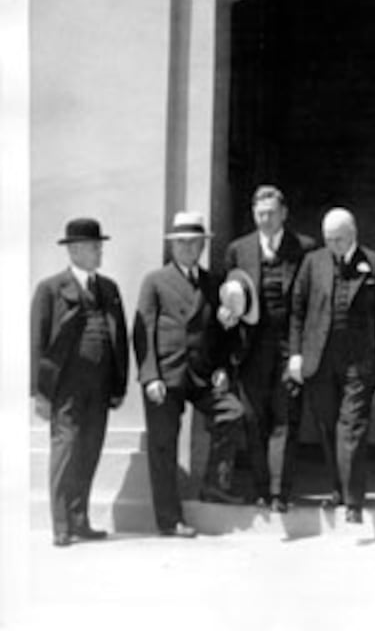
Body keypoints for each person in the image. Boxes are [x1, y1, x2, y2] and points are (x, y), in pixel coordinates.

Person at [132, 211, 245, 537]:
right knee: (163, 446)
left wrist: (221, 368)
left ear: (203, 246)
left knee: (232, 413)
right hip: (165, 376)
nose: (188, 248)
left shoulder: (213, 283)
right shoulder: (155, 281)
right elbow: (142, 331)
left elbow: (221, 334)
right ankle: (169, 521)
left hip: (201, 374)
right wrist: (150, 376)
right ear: (173, 246)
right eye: (182, 243)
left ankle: (215, 485)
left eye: (195, 243)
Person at [30, 217, 129, 547]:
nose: (99, 251)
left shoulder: (109, 289)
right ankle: (61, 526)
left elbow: (120, 340)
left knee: (89, 450)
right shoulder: (50, 289)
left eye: (100, 246)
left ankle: (80, 520)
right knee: (66, 449)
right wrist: (39, 393)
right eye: (93, 246)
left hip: (99, 387)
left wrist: (118, 386)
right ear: (73, 251)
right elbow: (37, 343)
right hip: (66, 386)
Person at [288, 208, 375, 522]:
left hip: (358, 359)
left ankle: (354, 501)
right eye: (329, 239)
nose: (334, 245)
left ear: (353, 233)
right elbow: (297, 310)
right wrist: (296, 354)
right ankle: (337, 489)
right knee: (327, 425)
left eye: (340, 239)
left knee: (352, 426)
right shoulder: (312, 262)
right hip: (319, 359)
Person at [221, 185, 316, 510]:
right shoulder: (238, 250)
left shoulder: (304, 248)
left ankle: (279, 493)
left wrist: (301, 352)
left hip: (289, 345)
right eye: (260, 214)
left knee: (286, 417)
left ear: (284, 213)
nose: (266, 219)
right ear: (253, 214)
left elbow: (310, 302)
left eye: (272, 213)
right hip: (251, 348)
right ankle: (261, 489)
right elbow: (229, 295)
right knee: (253, 419)